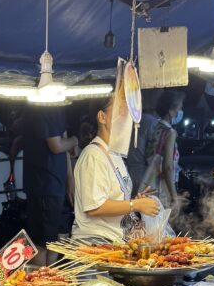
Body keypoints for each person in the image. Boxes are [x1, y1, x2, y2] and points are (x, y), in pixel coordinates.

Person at [73, 93, 161, 241]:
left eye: (127, 110)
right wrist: (135, 205)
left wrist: (134, 201)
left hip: (113, 241)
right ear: (102, 117)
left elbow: (112, 198)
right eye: (120, 110)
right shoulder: (94, 155)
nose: (126, 116)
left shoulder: (114, 153)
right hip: (95, 243)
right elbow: (95, 207)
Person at [20, 104, 79, 262]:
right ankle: (38, 283)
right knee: (41, 244)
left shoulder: (58, 108)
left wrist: (69, 179)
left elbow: (62, 140)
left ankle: (50, 280)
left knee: (55, 242)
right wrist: (74, 141)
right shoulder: (44, 106)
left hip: (55, 185)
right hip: (44, 185)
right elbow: (56, 145)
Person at [139, 88, 186, 213]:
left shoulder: (154, 127)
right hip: (163, 190)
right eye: (179, 109)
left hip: (149, 186)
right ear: (170, 110)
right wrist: (174, 196)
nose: (180, 112)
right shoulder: (170, 132)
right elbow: (167, 167)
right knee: (165, 227)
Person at [125, 93, 160, 193]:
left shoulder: (128, 120)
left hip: (127, 174)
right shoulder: (152, 122)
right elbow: (151, 157)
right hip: (144, 175)